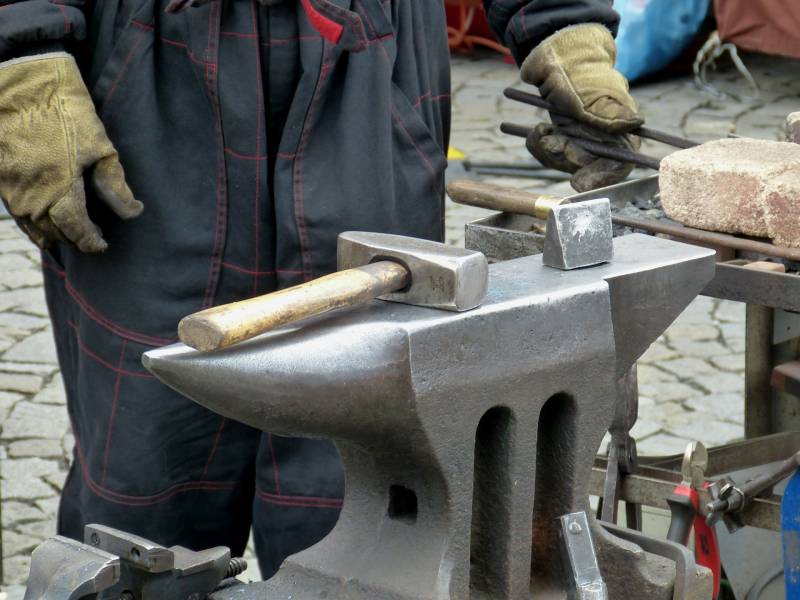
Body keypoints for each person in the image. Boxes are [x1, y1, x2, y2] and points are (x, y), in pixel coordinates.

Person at [0, 0, 640, 579]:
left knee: (359, 506)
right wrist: (22, 55)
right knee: (142, 501)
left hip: (368, 68)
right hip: (151, 87)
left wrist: (564, 24)